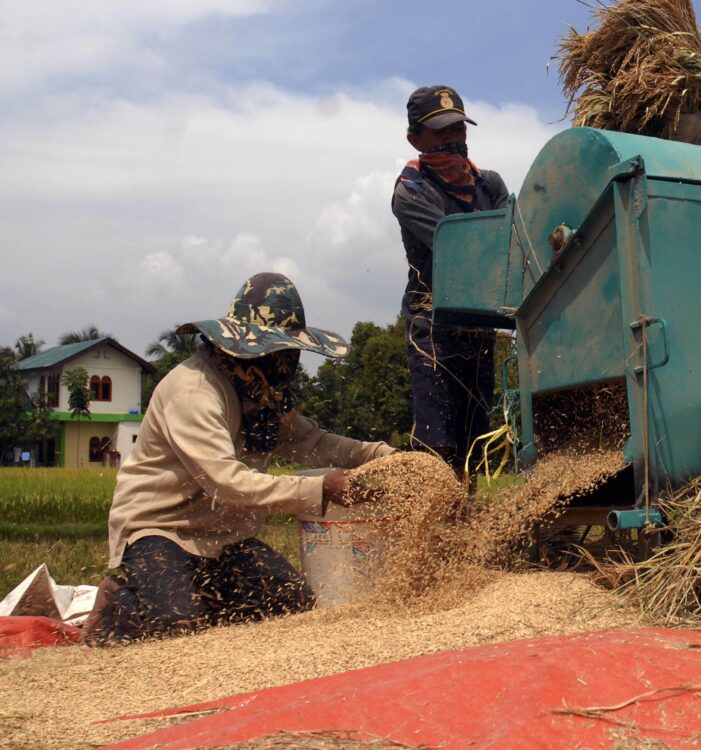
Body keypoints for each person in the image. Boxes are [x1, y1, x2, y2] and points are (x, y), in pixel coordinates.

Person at [83, 272, 395, 644]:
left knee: (291, 603)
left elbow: (313, 442)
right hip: (162, 531)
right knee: (176, 627)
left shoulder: (258, 392)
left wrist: (383, 456)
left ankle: (194, 598)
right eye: (277, 352)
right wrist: (324, 488)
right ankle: (118, 604)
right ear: (243, 347)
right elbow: (225, 482)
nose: (285, 363)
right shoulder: (194, 390)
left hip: (225, 538)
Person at [391, 85, 509, 475]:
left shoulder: (490, 185)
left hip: (479, 327)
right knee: (437, 446)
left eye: (458, 130)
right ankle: (433, 528)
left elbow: (516, 239)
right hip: (434, 329)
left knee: (474, 443)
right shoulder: (411, 191)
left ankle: (466, 524)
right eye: (441, 132)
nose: (452, 140)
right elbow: (464, 249)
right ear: (415, 139)